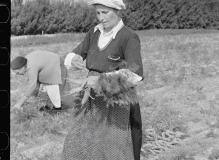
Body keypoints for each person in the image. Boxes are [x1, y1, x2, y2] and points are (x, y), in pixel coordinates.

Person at [62, 0, 143, 159]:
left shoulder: (128, 37)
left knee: (112, 146)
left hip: (115, 100)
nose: (101, 17)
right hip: (91, 97)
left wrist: (101, 80)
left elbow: (136, 74)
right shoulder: (94, 33)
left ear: (117, 11)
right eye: (98, 13)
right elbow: (75, 53)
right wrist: (73, 59)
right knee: (80, 140)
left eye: (105, 12)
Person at [11, 50, 75, 111]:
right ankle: (56, 105)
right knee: (48, 87)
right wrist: (33, 96)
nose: (18, 75)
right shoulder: (25, 62)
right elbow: (35, 84)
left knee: (59, 87)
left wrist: (19, 103)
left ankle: (67, 108)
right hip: (49, 65)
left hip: (57, 63)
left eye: (18, 73)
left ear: (22, 68)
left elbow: (32, 86)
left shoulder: (31, 67)